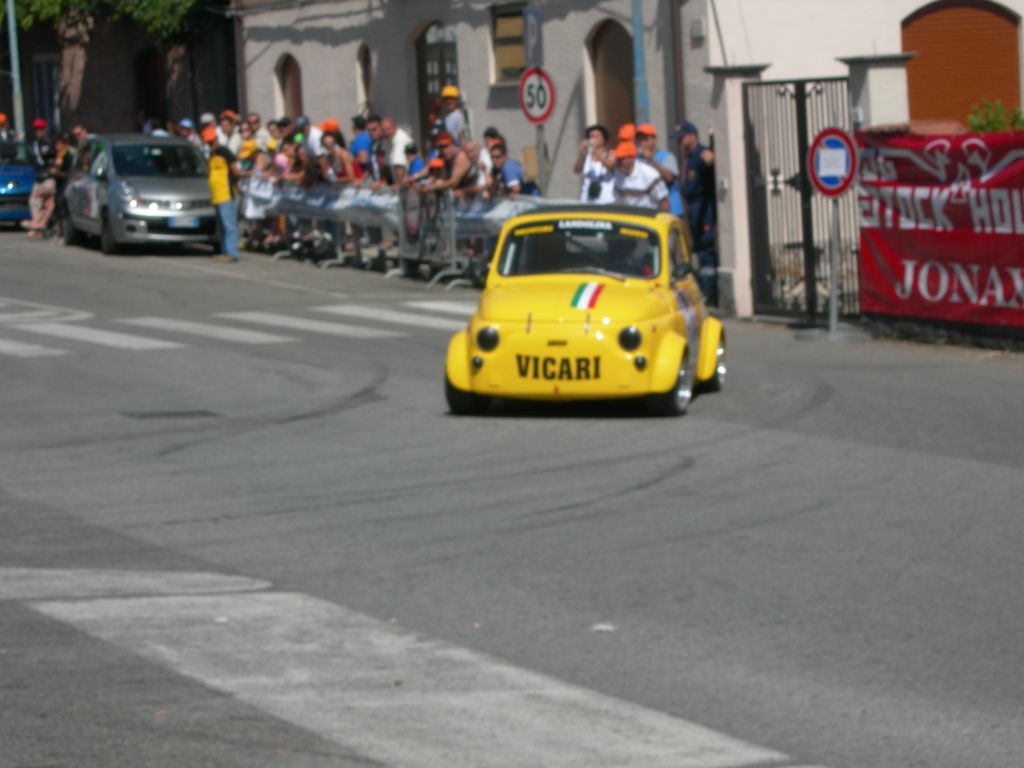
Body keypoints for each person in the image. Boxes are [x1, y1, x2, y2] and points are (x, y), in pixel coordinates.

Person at [673, 121, 717, 304]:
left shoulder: (700, 154)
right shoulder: (689, 157)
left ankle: (709, 293)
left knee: (706, 251)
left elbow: (709, 164)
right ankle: (701, 289)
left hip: (703, 210)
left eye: (682, 138)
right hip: (692, 209)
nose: (680, 142)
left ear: (692, 136)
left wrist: (711, 160)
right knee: (697, 250)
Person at [202, 124, 242, 263]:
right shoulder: (212, 154)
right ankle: (224, 250)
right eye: (208, 142)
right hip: (216, 195)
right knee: (221, 226)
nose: (210, 144)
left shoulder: (224, 151)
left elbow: (235, 170)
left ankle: (232, 253)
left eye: (212, 141)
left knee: (229, 225)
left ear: (216, 139)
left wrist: (235, 183)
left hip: (225, 193)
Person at [636, 123, 682, 216]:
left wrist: (651, 160)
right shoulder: (638, 159)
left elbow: (669, 178)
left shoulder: (667, 156)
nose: (642, 142)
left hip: (671, 208)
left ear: (654, 139)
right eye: (640, 139)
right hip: (650, 208)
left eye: (645, 139)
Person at [611, 140, 668, 212]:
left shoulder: (650, 174)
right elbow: (617, 202)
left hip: (648, 215)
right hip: (627, 215)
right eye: (617, 158)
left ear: (631, 158)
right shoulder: (617, 174)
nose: (618, 162)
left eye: (621, 159)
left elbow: (664, 201)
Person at [22, 118, 57, 236]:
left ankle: (39, 226)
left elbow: (52, 159)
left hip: (48, 178)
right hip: (38, 178)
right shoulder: (34, 144)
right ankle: (38, 227)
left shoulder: (48, 143)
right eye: (37, 129)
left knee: (40, 199)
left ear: (45, 130)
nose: (38, 131)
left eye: (41, 129)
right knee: (34, 202)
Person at [573, 123, 615, 204]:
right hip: (587, 199)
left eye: (597, 136)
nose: (593, 139)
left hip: (605, 200)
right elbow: (576, 170)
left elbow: (610, 165)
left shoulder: (610, 154)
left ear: (603, 139)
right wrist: (581, 154)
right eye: (591, 136)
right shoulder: (587, 157)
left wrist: (597, 153)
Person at [382, 117, 413, 185]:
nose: (386, 132)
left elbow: (399, 166)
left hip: (409, 182)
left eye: (388, 129)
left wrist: (399, 184)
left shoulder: (400, 139)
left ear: (394, 127)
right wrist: (383, 181)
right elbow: (386, 165)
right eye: (384, 130)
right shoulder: (389, 139)